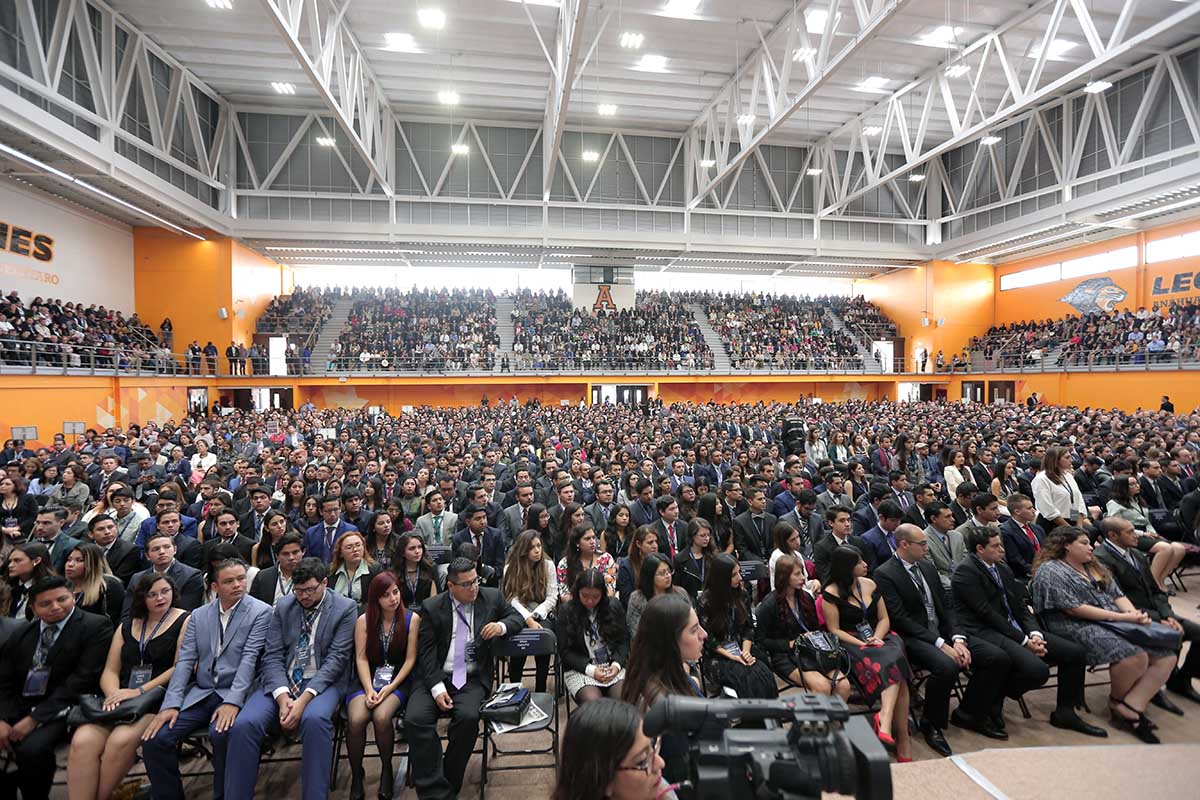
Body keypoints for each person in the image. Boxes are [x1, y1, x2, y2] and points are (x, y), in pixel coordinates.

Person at [951, 527, 1108, 738]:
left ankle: (1065, 713)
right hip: (983, 630)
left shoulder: (1002, 568)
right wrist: (1024, 641)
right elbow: (986, 613)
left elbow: (1021, 608)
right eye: (996, 546)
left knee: (1074, 653)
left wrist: (1035, 634)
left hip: (1012, 628)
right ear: (980, 549)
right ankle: (983, 704)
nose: (1002, 550)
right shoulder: (966, 571)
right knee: (1036, 671)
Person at [223, 558, 358, 800]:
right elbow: (272, 655)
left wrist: (303, 701)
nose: (304, 596)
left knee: (314, 720)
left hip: (321, 682)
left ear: (325, 583)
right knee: (245, 724)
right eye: (298, 590)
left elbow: (336, 661)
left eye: (310, 590)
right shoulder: (284, 606)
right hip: (282, 682)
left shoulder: (345, 608)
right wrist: (283, 696)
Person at [1029, 528, 1178, 743]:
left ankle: (1130, 706)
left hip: (1113, 621)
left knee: (1167, 656)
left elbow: (1117, 594)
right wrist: (1123, 619)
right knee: (1135, 656)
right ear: (1066, 545)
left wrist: (1132, 614)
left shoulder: (1094, 566)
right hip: (1073, 626)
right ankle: (1117, 703)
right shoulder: (1050, 571)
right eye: (1084, 543)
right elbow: (1074, 609)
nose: (1091, 547)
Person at [141, 559, 273, 800]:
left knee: (221, 734)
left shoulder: (261, 612)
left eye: (241, 579)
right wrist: (170, 704)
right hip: (201, 692)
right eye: (229, 581)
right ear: (214, 586)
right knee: (155, 739)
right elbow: (184, 662)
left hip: (237, 690)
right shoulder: (199, 615)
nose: (237, 585)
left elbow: (250, 659)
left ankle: (223, 795)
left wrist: (233, 701)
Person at [873, 524, 1010, 756]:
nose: (927, 548)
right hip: (914, 636)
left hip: (943, 631)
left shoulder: (926, 567)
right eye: (923, 544)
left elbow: (947, 607)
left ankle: (970, 712)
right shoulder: (885, 573)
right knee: (947, 666)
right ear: (904, 545)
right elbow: (900, 619)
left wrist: (957, 638)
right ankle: (931, 724)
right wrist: (941, 644)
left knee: (997, 657)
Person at [406, 557, 524, 799]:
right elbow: (426, 655)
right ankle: (435, 792)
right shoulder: (431, 607)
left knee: (469, 718)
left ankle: (448, 783)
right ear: (450, 586)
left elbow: (516, 617)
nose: (474, 588)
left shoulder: (491, 597)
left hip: (471, 678)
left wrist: (500, 627)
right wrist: (437, 688)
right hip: (436, 676)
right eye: (467, 584)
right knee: (415, 718)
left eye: (476, 581)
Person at [66, 574, 190, 800]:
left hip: (155, 697)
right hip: (120, 696)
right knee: (82, 742)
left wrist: (139, 691)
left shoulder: (186, 620)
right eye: (152, 594)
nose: (160, 598)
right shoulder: (127, 625)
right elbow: (110, 670)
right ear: (141, 598)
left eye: (165, 592)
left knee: (119, 741)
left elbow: (180, 667)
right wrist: (114, 693)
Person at [0, 576, 113, 800]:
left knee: (32, 749)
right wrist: (2, 718)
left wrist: (35, 719)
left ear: (73, 596)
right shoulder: (23, 633)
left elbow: (82, 680)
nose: (55, 607)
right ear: (32, 607)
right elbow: (4, 680)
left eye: (62, 599)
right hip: (23, 704)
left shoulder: (95, 626)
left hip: (66, 706)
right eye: (45, 604)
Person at [1093, 517, 1200, 705]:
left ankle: (1180, 680)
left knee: (1197, 633)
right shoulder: (1101, 559)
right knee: (1171, 636)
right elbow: (1116, 599)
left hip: (1155, 611)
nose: (1137, 535)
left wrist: (1166, 614)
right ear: (1113, 535)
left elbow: (1156, 589)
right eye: (1130, 532)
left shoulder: (1135, 553)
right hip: (1131, 616)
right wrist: (1160, 618)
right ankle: (1153, 686)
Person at [821, 546, 913, 761]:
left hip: (881, 636)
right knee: (897, 671)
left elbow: (884, 619)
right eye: (859, 562)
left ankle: (885, 719)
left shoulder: (870, 584)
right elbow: (834, 630)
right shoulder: (831, 593)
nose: (865, 564)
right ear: (846, 568)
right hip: (852, 642)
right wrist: (863, 642)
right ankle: (901, 737)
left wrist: (878, 638)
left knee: (893, 655)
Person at [620, 593, 707, 792]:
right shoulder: (666, 709)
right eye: (694, 630)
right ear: (671, 642)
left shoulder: (655, 674)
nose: (704, 634)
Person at [347, 572, 421, 800]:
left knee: (381, 717)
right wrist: (369, 689)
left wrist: (389, 689)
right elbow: (361, 659)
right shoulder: (363, 621)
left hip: (398, 679)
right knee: (357, 719)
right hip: (367, 678)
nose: (393, 599)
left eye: (396, 592)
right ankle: (356, 774)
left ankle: (386, 768)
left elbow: (410, 660)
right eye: (386, 595)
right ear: (375, 599)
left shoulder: (412, 619)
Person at [551, 698, 674, 800]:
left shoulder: (660, 789)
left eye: (653, 747)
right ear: (601, 780)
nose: (660, 763)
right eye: (642, 762)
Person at [696, 553, 777, 699]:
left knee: (763, 671)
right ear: (722, 577)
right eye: (734, 574)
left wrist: (745, 652)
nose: (740, 578)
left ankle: (770, 714)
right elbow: (709, 641)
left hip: (741, 647)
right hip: (718, 656)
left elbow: (748, 628)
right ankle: (753, 717)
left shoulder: (742, 594)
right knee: (746, 677)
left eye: (739, 572)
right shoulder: (705, 601)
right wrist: (734, 657)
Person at [557, 569, 630, 705]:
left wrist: (616, 665)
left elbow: (624, 641)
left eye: (596, 596)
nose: (590, 601)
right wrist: (591, 670)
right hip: (581, 669)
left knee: (623, 700)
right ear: (577, 592)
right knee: (594, 705)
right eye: (584, 596)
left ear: (603, 594)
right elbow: (565, 652)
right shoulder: (567, 611)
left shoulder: (613, 606)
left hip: (611, 666)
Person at [1106, 475, 1187, 592]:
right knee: (1165, 549)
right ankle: (1152, 584)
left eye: (1137, 483)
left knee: (1179, 549)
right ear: (1122, 487)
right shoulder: (1114, 503)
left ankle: (1160, 580)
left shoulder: (1138, 500)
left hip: (1147, 532)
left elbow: (1147, 520)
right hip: (1130, 535)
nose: (1137, 486)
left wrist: (1151, 532)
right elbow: (1116, 525)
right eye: (1132, 484)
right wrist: (1142, 534)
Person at [501, 530, 559, 692]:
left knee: (543, 635)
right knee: (519, 637)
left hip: (542, 611)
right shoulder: (510, 568)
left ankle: (541, 689)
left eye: (539, 546)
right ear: (523, 550)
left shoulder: (548, 565)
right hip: (518, 612)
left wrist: (536, 615)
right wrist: (528, 619)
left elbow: (552, 597)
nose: (537, 550)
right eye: (532, 547)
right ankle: (514, 688)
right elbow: (512, 599)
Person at [124, 531, 205, 617]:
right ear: (147, 556)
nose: (162, 552)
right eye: (156, 549)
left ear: (175, 550)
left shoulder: (191, 575)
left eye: (167, 547)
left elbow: (186, 612)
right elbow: (127, 613)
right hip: (141, 624)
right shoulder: (137, 578)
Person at [626, 553, 690, 637]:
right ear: (650, 575)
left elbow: (689, 622)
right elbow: (636, 632)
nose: (668, 576)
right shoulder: (637, 598)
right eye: (662, 573)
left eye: (669, 571)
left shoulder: (680, 593)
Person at [1031, 446, 1090, 532]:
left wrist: (1078, 526)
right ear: (1056, 460)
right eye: (1067, 457)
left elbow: (1075, 501)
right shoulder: (1041, 479)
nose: (1071, 460)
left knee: (1092, 532)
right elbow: (1048, 509)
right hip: (1053, 525)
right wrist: (1071, 529)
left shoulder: (1068, 476)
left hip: (1071, 520)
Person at [64, 542, 125, 624]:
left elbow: (112, 621)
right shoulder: (63, 586)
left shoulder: (108, 585)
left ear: (93, 564)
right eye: (69, 559)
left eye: (79, 560)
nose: (70, 564)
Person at [557, 522, 617, 600]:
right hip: (574, 606)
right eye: (587, 539)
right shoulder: (565, 563)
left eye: (593, 537)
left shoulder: (607, 559)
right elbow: (564, 595)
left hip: (601, 604)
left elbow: (610, 589)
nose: (592, 542)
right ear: (577, 543)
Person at [248, 531, 305, 606]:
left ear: (303, 552)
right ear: (277, 556)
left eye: (295, 552)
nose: (291, 558)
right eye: (285, 554)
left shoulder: (311, 575)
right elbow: (252, 605)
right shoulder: (263, 576)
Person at [1000, 493, 1045, 583]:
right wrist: (1040, 571)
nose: (1034, 511)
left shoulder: (1038, 528)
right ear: (1017, 511)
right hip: (1025, 577)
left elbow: (1048, 550)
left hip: (1045, 569)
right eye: (1029, 508)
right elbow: (1016, 561)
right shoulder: (1006, 531)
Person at [330, 530, 380, 608]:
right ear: (340, 553)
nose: (355, 550)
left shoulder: (375, 570)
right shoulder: (330, 571)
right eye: (349, 547)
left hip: (363, 616)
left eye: (358, 545)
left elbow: (375, 601)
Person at [671, 518, 717, 600]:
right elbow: (677, 587)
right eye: (702, 535)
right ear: (692, 536)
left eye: (708, 535)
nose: (706, 538)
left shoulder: (713, 556)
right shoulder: (680, 559)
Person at [7, 541, 55, 620]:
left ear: (36, 561)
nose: (10, 565)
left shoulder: (50, 588)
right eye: (10, 561)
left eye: (17, 560)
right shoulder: (6, 585)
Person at [304, 494, 359, 563]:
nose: (332, 514)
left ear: (340, 509)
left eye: (335, 510)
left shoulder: (350, 530)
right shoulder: (311, 533)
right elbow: (308, 560)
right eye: (328, 511)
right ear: (321, 512)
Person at [616, 527, 658, 608]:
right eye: (650, 543)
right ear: (638, 544)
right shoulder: (626, 566)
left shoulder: (660, 562)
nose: (655, 546)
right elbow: (627, 598)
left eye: (656, 542)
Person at [396, 531, 439, 609]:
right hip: (403, 613)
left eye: (420, 547)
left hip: (426, 613)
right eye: (412, 548)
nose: (417, 551)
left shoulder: (430, 568)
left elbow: (435, 599)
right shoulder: (395, 571)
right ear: (402, 552)